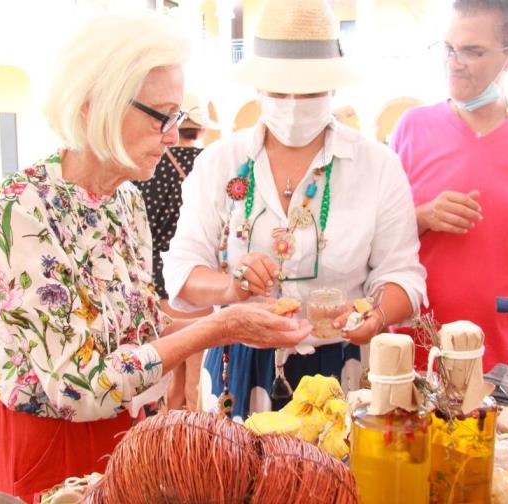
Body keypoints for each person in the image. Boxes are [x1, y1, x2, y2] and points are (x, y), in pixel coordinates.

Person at [0, 13, 310, 502]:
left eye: (177, 118)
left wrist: (235, 318)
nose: (171, 135)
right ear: (95, 105)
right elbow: (80, 386)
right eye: (160, 116)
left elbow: (137, 327)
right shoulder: (21, 208)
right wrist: (219, 327)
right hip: (43, 438)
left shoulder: (126, 199)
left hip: (121, 427)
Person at [162, 0, 427, 420]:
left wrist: (374, 316)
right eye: (279, 90)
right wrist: (232, 288)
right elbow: (182, 270)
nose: (292, 103)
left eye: (309, 91)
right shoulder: (219, 162)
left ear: (333, 87)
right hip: (237, 364)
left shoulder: (376, 166)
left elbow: (402, 274)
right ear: (258, 87)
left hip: (340, 366)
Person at [390, 0, 508, 371]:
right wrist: (424, 216)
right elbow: (377, 243)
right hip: (421, 346)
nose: (454, 63)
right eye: (448, 48)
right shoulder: (411, 128)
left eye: (472, 52)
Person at [133, 93, 216, 410]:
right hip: (196, 280)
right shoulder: (208, 164)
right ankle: (196, 437)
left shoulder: (149, 168)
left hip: (157, 282)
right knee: (198, 382)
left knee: (168, 381)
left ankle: (169, 433)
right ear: (202, 129)